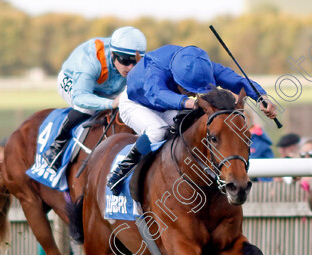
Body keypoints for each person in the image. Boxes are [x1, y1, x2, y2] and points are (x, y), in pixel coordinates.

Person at [108, 44, 278, 194]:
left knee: (194, 125)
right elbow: (156, 94)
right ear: (176, 78)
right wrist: (187, 101)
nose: (192, 93)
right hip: (137, 103)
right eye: (188, 89)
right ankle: (122, 169)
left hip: (168, 105)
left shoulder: (202, 65)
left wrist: (261, 96)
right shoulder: (156, 68)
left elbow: (236, 80)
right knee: (157, 130)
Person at [42, 26, 147, 170]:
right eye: (125, 61)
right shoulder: (91, 60)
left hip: (109, 87)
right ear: (113, 55)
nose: (130, 67)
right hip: (74, 81)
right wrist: (111, 103)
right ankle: (57, 145)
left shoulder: (129, 61)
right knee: (87, 107)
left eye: (135, 62)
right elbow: (80, 97)